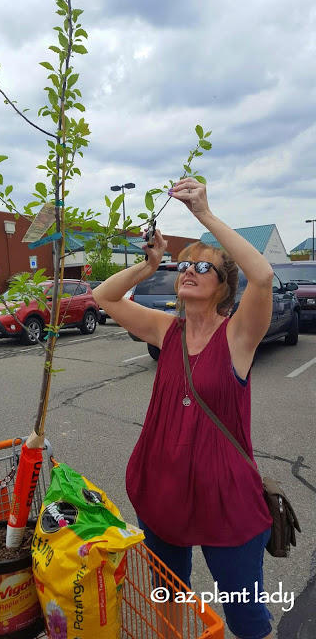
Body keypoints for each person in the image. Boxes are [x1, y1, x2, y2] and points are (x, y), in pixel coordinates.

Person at [93, 177, 274, 639]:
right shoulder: (165, 330)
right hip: (163, 490)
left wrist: (204, 216)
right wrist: (148, 264)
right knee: (167, 599)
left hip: (225, 497)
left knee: (245, 616)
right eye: (184, 264)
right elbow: (104, 298)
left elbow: (263, 276)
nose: (189, 270)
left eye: (204, 267)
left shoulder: (238, 335)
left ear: (221, 288)